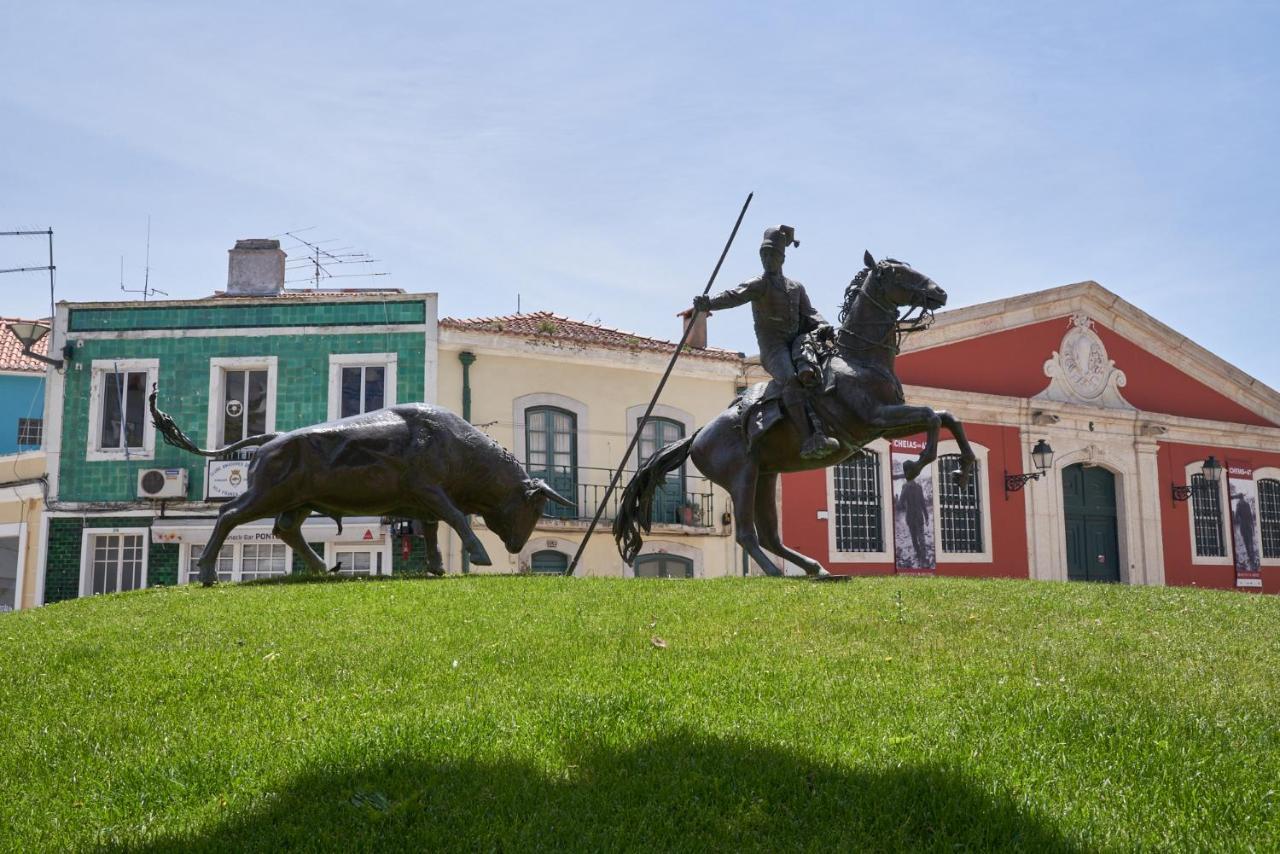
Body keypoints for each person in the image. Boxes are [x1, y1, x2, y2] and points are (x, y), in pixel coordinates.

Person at [688, 225, 839, 459]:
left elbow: (810, 313)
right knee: (790, 379)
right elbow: (733, 295)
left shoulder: (796, 287)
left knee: (827, 371)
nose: (768, 259)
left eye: (773, 255)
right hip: (773, 348)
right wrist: (708, 302)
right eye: (764, 255)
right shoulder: (759, 284)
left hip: (797, 343)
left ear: (782, 258)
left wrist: (823, 325)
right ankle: (810, 439)